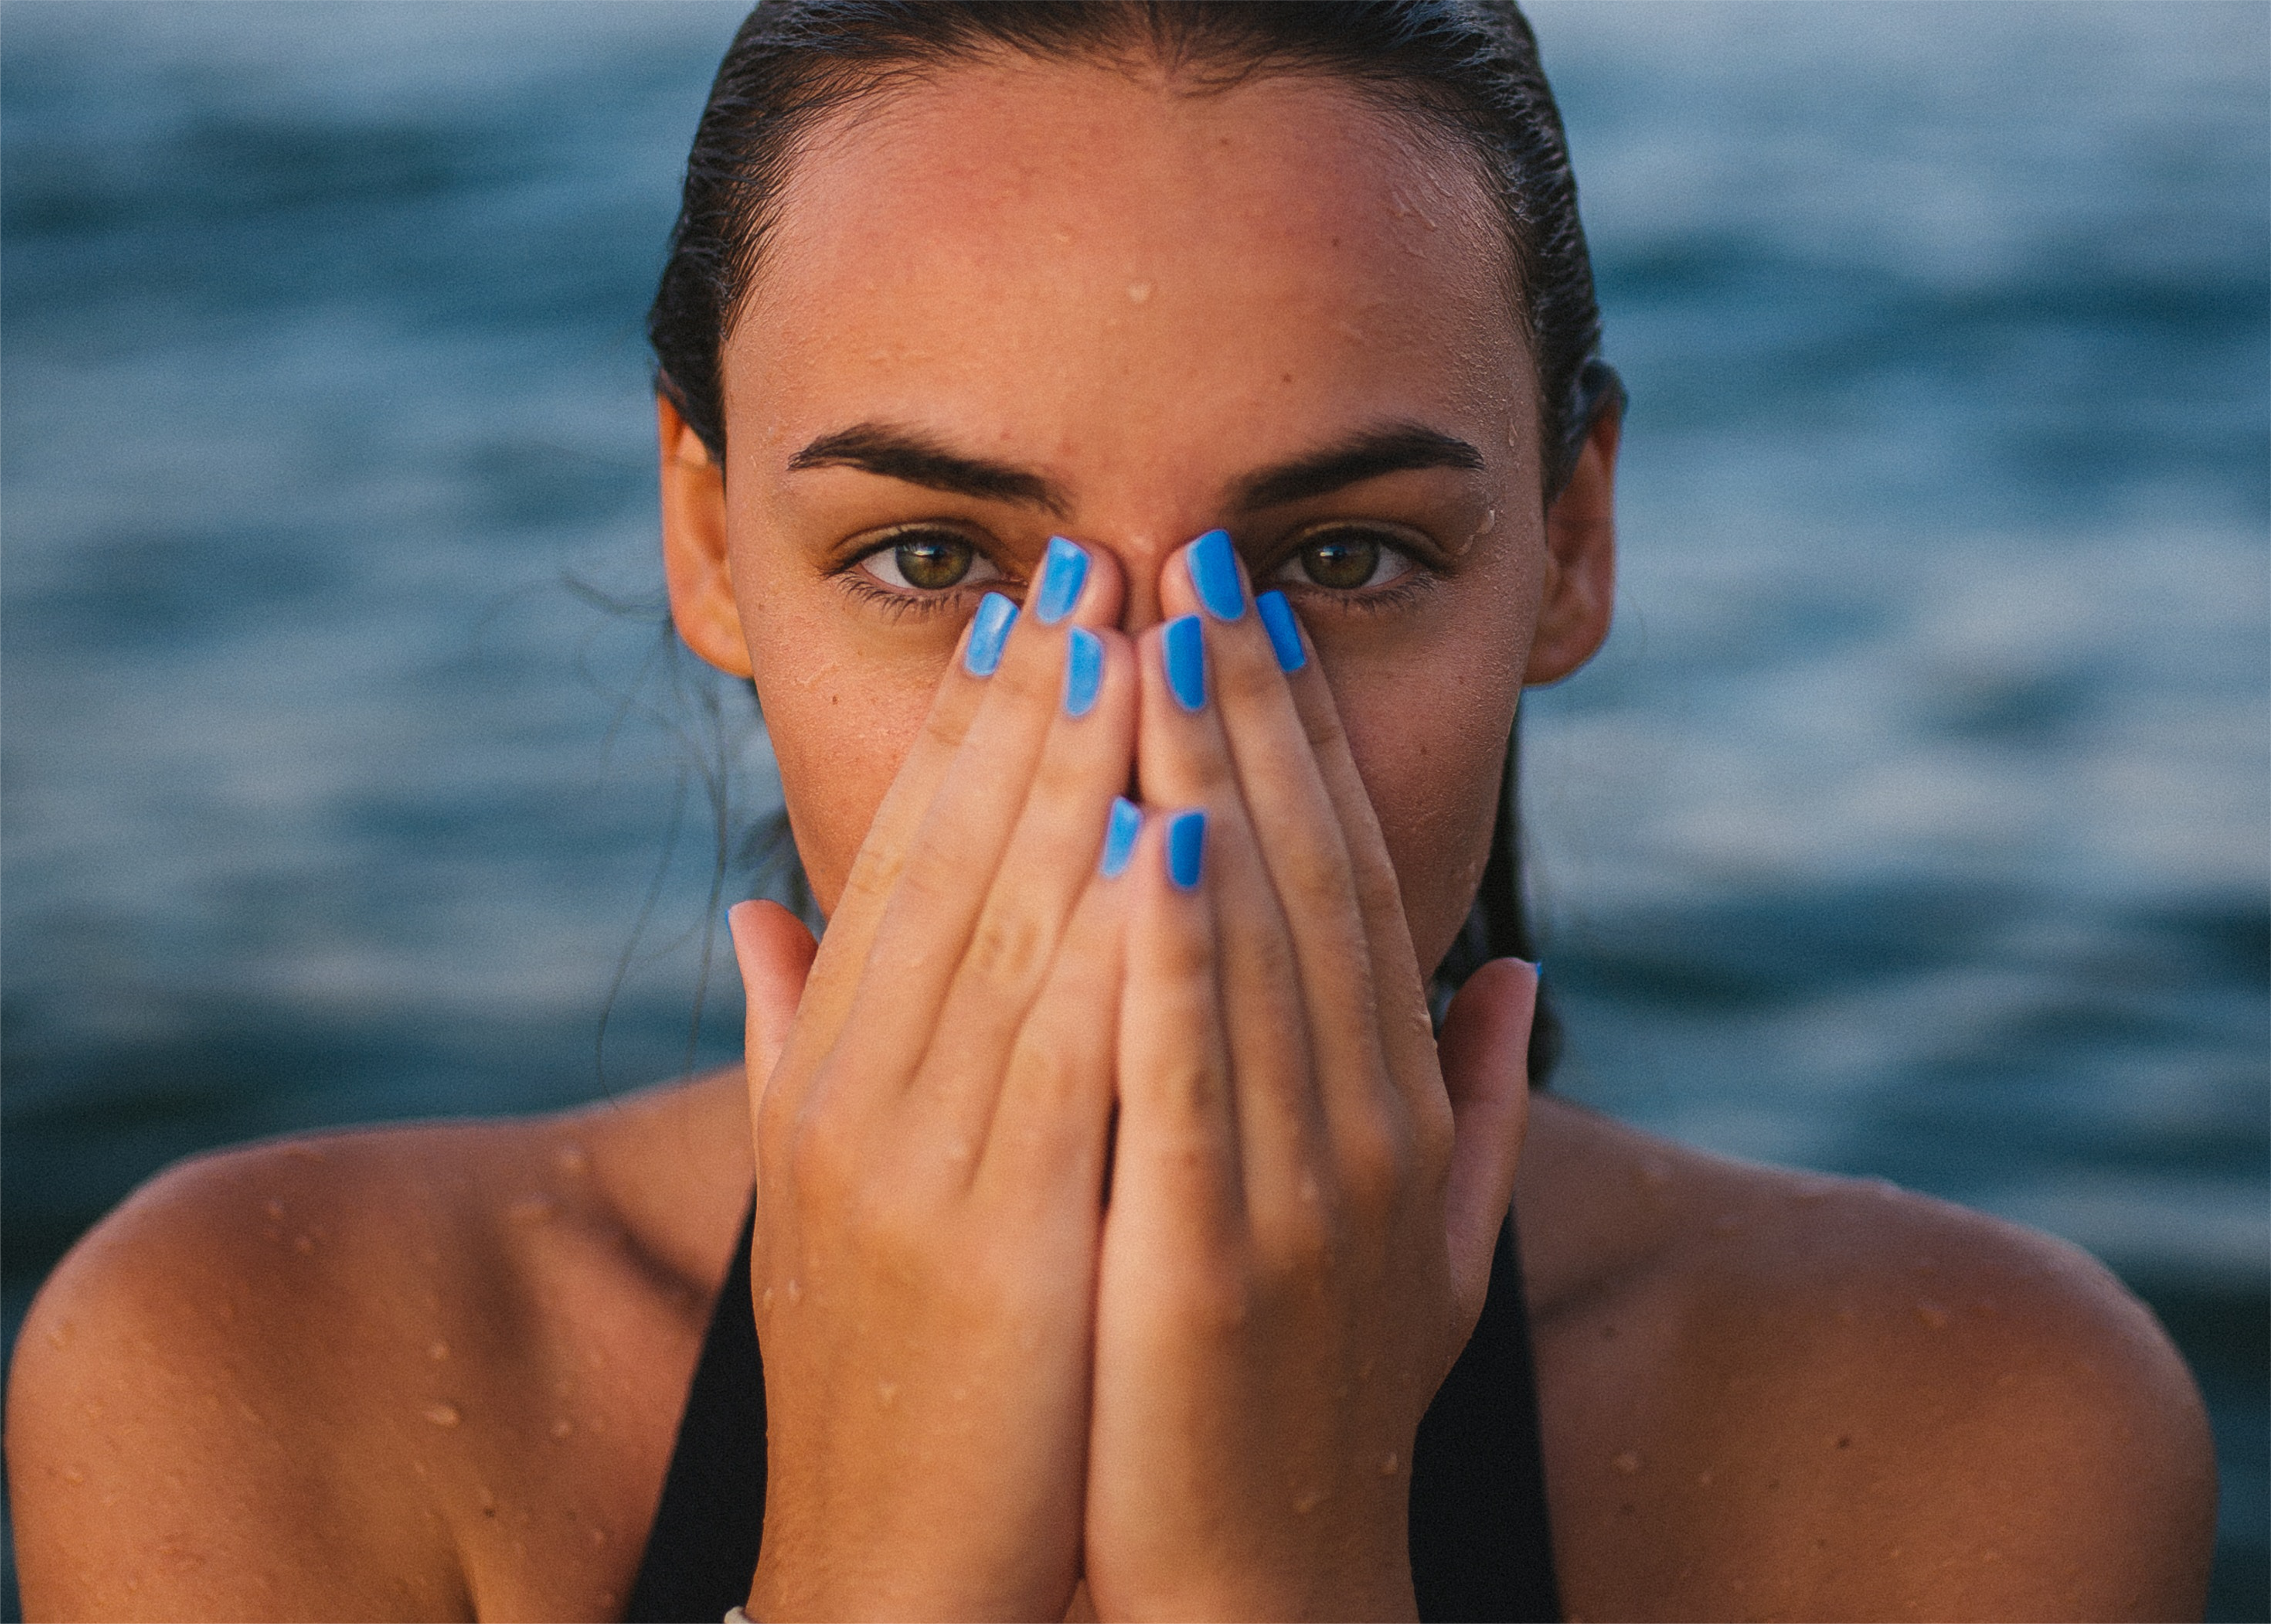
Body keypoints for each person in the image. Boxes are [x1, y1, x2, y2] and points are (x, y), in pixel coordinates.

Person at [6, 2, 2217, 1620]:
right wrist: (880, 1566)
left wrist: (1280, 1571)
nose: (1149, 743)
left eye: (1337, 560)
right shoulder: (253, 1363)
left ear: (1566, 541)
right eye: (941, 561)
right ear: (706, 544)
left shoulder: (1962, 1429)